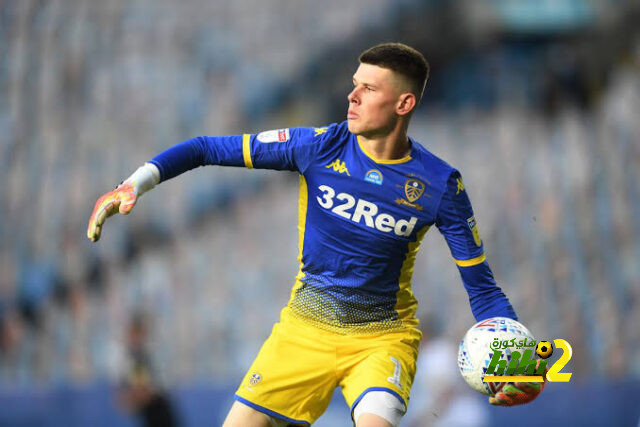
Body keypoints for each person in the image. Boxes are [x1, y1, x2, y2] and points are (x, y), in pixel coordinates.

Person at [87, 43, 544, 427]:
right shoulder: (317, 146)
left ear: (404, 104)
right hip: (303, 330)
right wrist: (137, 181)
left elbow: (482, 288)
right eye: (354, 83)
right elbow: (206, 147)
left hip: (381, 338)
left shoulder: (440, 185)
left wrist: (517, 356)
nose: (352, 95)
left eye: (368, 88)